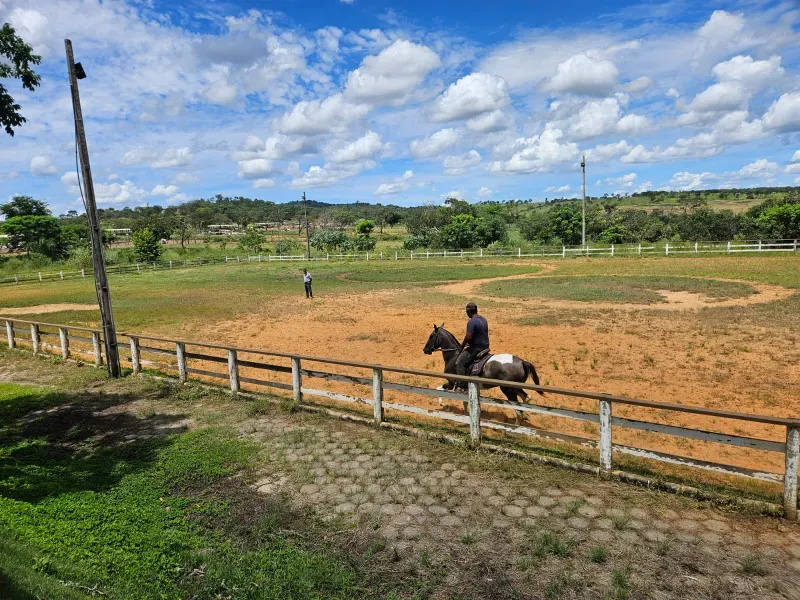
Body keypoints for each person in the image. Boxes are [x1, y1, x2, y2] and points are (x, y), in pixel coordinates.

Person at [455, 302, 489, 384]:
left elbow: (468, 336)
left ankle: (462, 386)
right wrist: (470, 342)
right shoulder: (483, 319)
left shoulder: (471, 322)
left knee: (459, 362)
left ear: (468, 311)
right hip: (485, 346)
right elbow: (479, 334)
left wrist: (462, 345)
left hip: (476, 348)